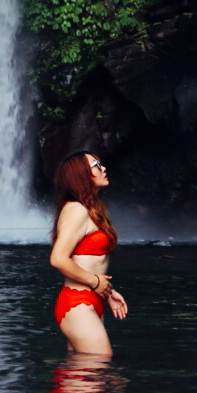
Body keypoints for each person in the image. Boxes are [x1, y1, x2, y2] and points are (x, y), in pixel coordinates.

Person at [49, 151, 128, 356]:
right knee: (98, 369)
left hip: (92, 301)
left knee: (81, 380)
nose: (103, 169)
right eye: (96, 165)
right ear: (81, 175)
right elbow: (58, 259)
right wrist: (95, 282)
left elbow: (91, 262)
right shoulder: (77, 210)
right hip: (78, 303)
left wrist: (106, 291)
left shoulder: (90, 209)